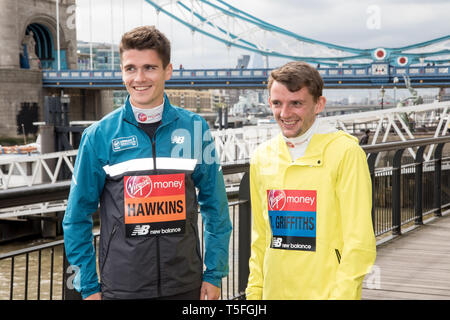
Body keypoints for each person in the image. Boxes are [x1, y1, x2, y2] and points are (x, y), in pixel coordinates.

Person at [62, 25, 232, 300]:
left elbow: (217, 208)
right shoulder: (98, 137)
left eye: (150, 68)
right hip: (121, 288)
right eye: (130, 68)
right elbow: (76, 218)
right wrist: (88, 286)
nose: (139, 78)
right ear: (122, 72)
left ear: (168, 71)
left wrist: (214, 273)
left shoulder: (195, 130)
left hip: (186, 285)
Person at [245, 61, 376, 300]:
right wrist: (254, 292)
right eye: (277, 103)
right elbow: (260, 236)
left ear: (319, 104)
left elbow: (360, 242)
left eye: (296, 103)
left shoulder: (346, 152)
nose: (284, 114)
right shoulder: (261, 157)